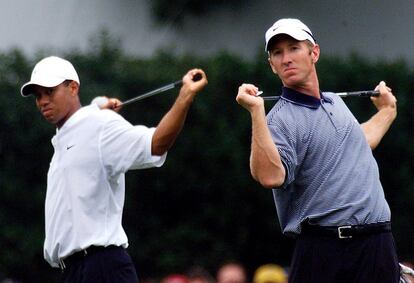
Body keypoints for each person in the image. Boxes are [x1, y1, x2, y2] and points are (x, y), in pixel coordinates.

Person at [236, 18, 399, 283]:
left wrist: (388, 111)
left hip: (376, 245)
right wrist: (256, 112)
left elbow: (359, 141)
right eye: (277, 53)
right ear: (272, 66)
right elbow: (270, 176)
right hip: (323, 250)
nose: (286, 58)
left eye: (294, 48)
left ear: (314, 53)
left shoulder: (334, 101)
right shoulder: (278, 120)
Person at [20, 56, 208, 282]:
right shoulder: (67, 136)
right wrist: (97, 105)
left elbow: (156, 144)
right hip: (73, 272)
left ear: (73, 87)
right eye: (38, 95)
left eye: (49, 92)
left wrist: (185, 96)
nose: (42, 101)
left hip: (102, 267)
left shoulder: (101, 125)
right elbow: (85, 122)